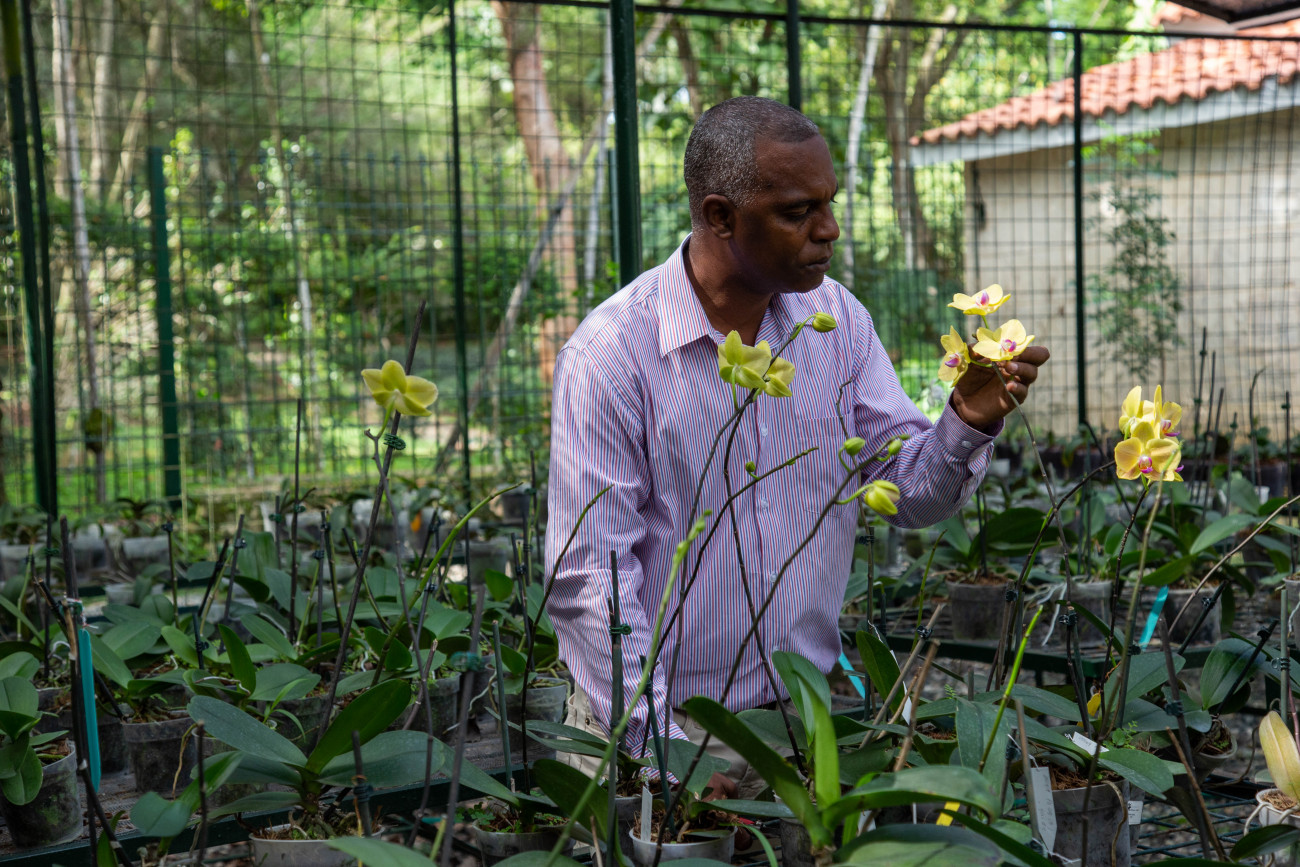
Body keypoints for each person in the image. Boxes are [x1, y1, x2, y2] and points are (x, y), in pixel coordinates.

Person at [544, 96, 1048, 795]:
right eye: (797, 211)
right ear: (720, 216)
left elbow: (912, 496)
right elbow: (588, 579)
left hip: (796, 721)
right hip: (654, 730)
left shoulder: (835, 322)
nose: (829, 229)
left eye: (829, 203)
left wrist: (964, 419)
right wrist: (661, 751)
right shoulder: (612, 357)